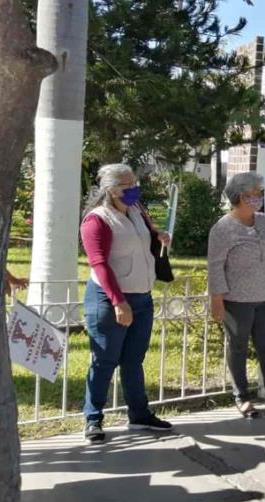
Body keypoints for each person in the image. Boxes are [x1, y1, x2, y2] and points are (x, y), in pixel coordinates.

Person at [79, 163, 172, 444]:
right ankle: (92, 418)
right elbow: (99, 263)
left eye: (135, 184)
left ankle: (139, 415)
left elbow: (147, 236)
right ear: (110, 189)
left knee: (134, 360)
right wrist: (119, 302)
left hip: (142, 297)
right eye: (127, 186)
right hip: (110, 300)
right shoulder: (97, 220)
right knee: (105, 360)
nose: (134, 190)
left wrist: (159, 237)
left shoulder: (136, 210)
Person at [208, 172, 265, 419]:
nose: (259, 198)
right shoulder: (223, 228)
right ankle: (242, 397)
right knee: (237, 348)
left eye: (260, 193)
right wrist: (216, 300)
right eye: (254, 194)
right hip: (236, 300)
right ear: (239, 197)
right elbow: (215, 266)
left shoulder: (263, 222)